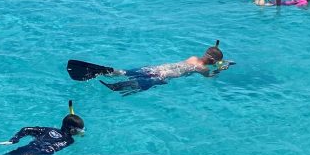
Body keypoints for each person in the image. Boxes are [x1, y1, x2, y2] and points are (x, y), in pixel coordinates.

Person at [98, 41, 234, 94]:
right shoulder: (203, 69)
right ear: (212, 60)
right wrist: (220, 69)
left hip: (156, 69)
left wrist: (217, 59)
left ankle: (107, 71)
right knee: (138, 85)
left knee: (125, 71)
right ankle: (116, 86)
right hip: (162, 76)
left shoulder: (193, 58)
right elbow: (210, 77)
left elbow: (211, 55)